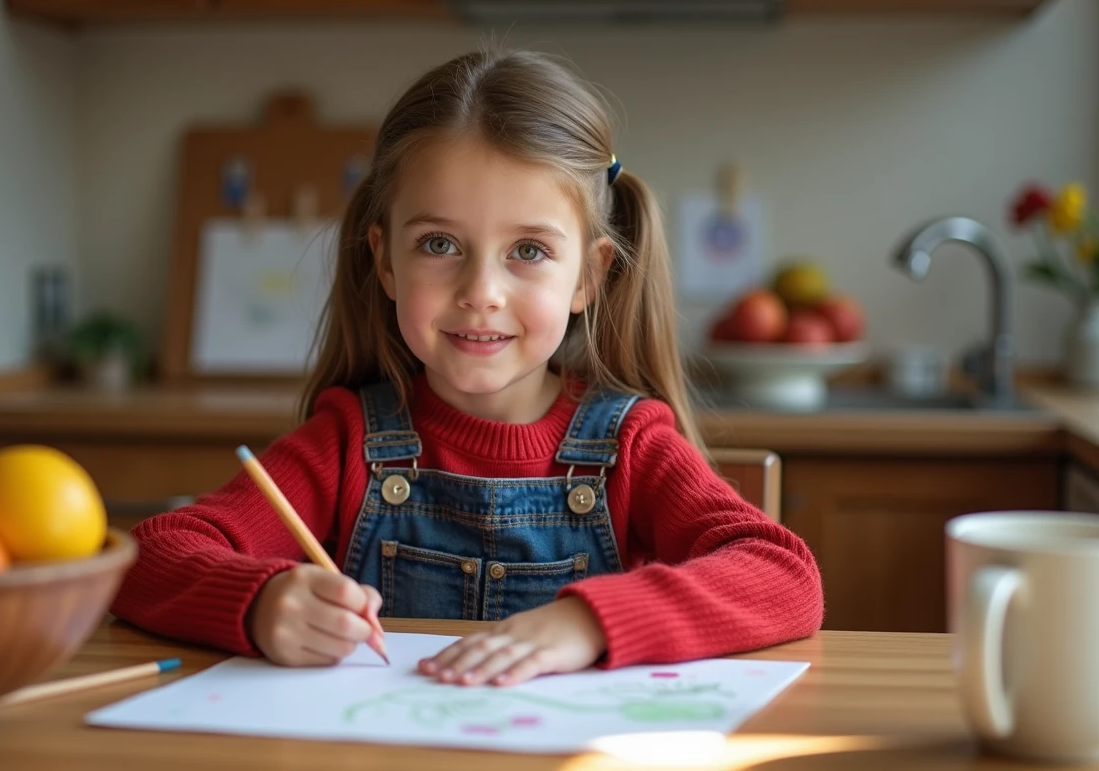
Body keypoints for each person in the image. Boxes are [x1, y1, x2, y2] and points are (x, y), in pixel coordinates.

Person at [111, 48, 823, 687]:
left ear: (589, 278)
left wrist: (589, 623)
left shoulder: (629, 446)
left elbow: (784, 576)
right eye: (440, 245)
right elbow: (150, 556)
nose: (481, 291)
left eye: (530, 251)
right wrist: (260, 603)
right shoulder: (347, 442)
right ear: (385, 260)